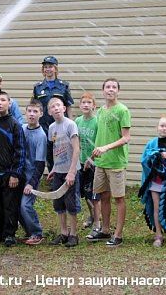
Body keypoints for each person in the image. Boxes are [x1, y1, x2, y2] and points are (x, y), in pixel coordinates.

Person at [86, 78, 131, 247]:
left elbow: (126, 138)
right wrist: (92, 157)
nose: (110, 90)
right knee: (103, 196)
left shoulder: (122, 110)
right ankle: (105, 230)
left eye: (114, 87)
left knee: (119, 198)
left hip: (116, 162)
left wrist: (106, 148)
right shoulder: (101, 111)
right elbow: (100, 136)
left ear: (118, 91)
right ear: (103, 91)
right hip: (101, 162)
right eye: (107, 87)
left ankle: (118, 235)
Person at [0, 91, 26, 247]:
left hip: (10, 174)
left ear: (9, 103)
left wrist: (15, 173)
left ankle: (10, 233)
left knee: (10, 204)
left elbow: (20, 151)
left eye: (3, 100)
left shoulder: (15, 124)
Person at [139, 117, 166, 247]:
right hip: (155, 182)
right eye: (162, 125)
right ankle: (158, 234)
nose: (164, 128)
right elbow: (144, 160)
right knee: (156, 207)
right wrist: (154, 155)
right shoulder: (152, 144)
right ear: (157, 127)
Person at [47, 97, 80, 247]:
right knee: (58, 203)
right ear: (49, 111)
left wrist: (72, 172)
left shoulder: (70, 125)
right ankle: (63, 233)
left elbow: (76, 149)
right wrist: (54, 168)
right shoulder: (51, 128)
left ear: (64, 108)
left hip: (70, 171)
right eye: (52, 107)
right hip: (59, 171)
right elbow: (55, 149)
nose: (56, 108)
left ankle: (73, 234)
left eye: (58, 105)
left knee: (71, 203)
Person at [32, 56, 74, 170]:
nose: (48, 69)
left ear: (55, 68)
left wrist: (71, 124)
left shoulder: (63, 85)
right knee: (49, 153)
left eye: (50, 66)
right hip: (45, 126)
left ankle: (65, 177)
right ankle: (52, 178)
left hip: (61, 126)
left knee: (63, 151)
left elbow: (69, 106)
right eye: (45, 67)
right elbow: (35, 107)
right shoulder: (37, 87)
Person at [20, 99, 47, 246]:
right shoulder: (22, 128)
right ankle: (28, 231)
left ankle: (37, 233)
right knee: (17, 205)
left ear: (41, 114)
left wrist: (31, 183)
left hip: (31, 177)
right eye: (29, 111)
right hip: (19, 175)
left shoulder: (41, 136)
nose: (31, 114)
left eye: (35, 111)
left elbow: (40, 164)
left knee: (25, 205)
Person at [74, 92, 100, 233]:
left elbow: (99, 143)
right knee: (84, 192)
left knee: (94, 194)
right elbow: (76, 141)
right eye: (83, 102)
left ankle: (97, 222)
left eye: (89, 103)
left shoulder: (97, 122)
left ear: (94, 106)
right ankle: (91, 216)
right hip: (81, 162)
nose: (86, 105)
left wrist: (91, 160)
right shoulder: (78, 121)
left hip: (94, 164)